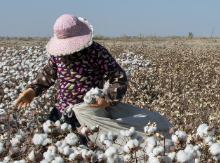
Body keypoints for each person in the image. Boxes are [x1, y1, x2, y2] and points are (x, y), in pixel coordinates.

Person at [14, 14, 173, 144]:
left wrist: (108, 100)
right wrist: (33, 90)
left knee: (87, 152)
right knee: (48, 148)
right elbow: (48, 74)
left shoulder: (96, 52)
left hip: (88, 113)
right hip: (61, 110)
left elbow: (118, 76)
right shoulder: (57, 56)